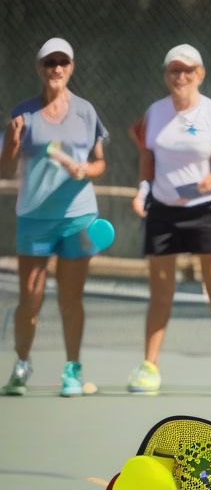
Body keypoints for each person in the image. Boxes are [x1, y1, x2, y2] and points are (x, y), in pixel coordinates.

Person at [126, 43, 211, 395]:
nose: (181, 76)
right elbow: (148, 162)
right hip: (164, 211)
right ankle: (149, 366)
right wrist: (142, 192)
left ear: (200, 74)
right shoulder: (155, 113)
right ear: (166, 76)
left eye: (188, 70)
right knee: (160, 291)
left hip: (208, 208)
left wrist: (201, 185)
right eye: (174, 71)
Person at [1, 37, 108, 397]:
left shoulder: (86, 112)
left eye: (62, 62)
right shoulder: (23, 113)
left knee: (70, 298)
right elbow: (5, 166)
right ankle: (21, 363)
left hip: (77, 217)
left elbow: (99, 162)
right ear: (40, 68)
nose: (56, 69)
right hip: (34, 217)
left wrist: (85, 170)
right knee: (30, 298)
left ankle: (72, 370)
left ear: (71, 67)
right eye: (50, 63)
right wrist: (12, 144)